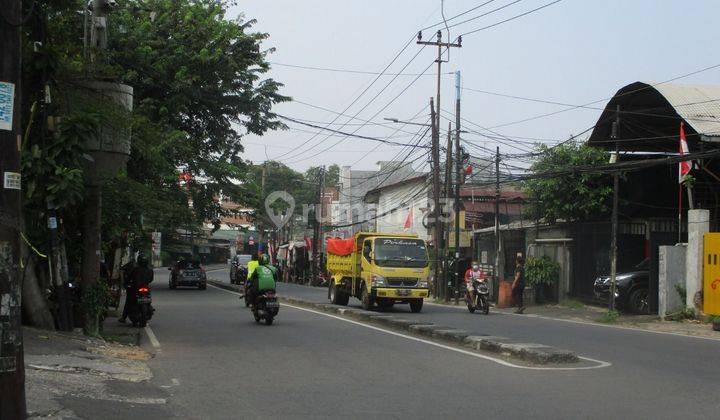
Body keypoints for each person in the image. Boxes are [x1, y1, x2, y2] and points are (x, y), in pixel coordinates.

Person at [119, 253, 154, 323]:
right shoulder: (150, 270)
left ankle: (123, 317)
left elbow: (129, 278)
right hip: (145, 287)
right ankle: (124, 317)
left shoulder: (136, 269)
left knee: (128, 301)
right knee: (131, 300)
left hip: (136, 288)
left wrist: (126, 284)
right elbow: (151, 279)